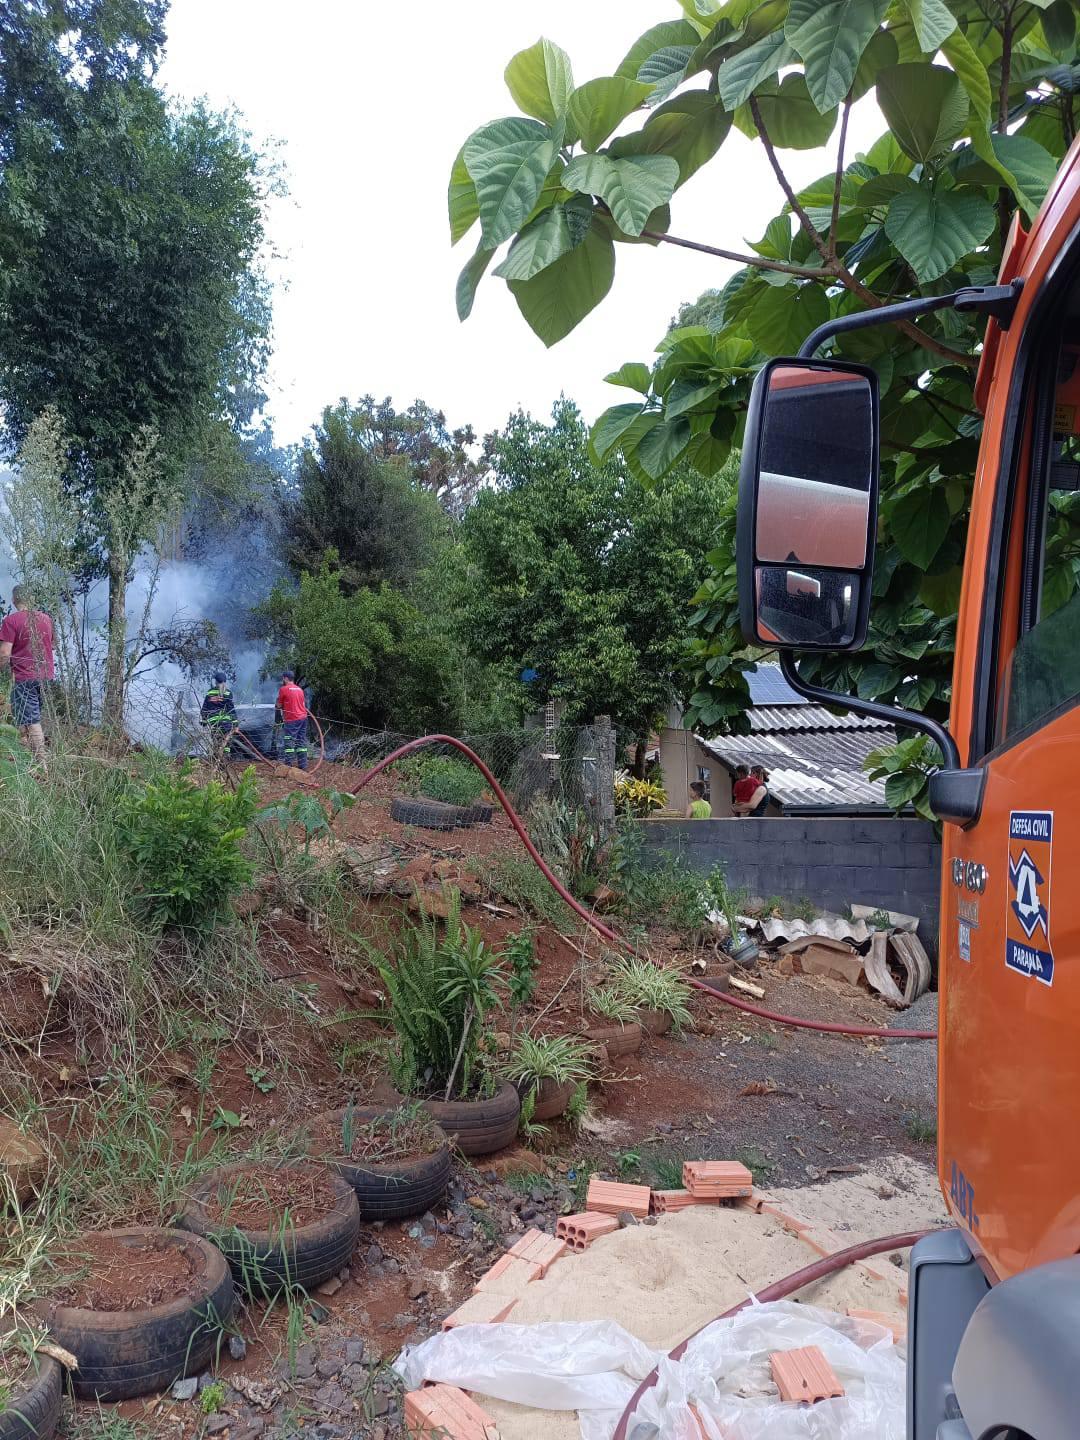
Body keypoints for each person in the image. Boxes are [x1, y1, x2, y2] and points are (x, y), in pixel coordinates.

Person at [0, 585, 54, 773]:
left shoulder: (11, 621)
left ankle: (42, 767)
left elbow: (5, 653)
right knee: (25, 715)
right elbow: (52, 645)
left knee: (31, 721)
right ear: (32, 599)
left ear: (14, 600)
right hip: (46, 676)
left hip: (25, 676)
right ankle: (26, 757)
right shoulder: (46, 619)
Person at [200, 670, 237, 764]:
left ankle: (217, 761)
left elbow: (204, 708)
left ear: (215, 681)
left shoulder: (210, 692)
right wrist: (236, 724)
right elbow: (231, 710)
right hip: (226, 723)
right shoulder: (228, 693)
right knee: (226, 743)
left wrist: (204, 721)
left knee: (216, 742)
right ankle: (225, 761)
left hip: (214, 723)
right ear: (225, 681)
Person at [276, 669, 309, 770]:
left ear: (286, 678)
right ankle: (303, 766)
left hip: (292, 720)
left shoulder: (283, 689)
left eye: (283, 678)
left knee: (289, 741)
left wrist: (278, 704)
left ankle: (288, 766)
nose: (283, 680)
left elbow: (279, 705)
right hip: (303, 718)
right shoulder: (300, 689)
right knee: (301, 742)